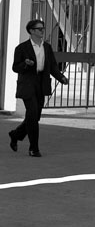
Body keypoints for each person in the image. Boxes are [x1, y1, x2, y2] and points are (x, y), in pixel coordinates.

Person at [8, 19, 68, 157]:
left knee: (34, 116)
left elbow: (52, 66)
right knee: (33, 114)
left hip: (42, 83)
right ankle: (34, 148)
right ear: (32, 31)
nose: (42, 31)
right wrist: (25, 64)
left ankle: (15, 135)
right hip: (27, 84)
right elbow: (15, 67)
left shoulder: (46, 47)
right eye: (39, 29)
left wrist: (61, 78)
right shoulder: (21, 48)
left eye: (43, 28)